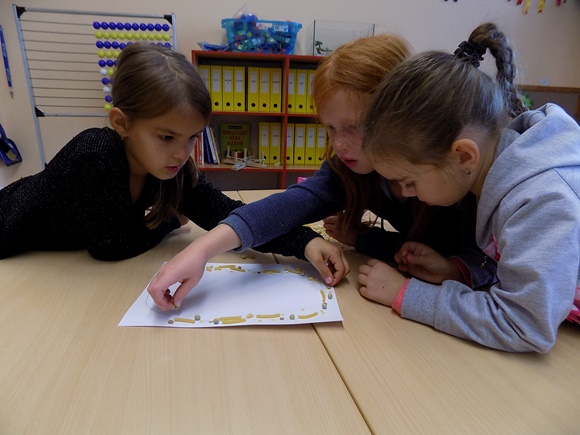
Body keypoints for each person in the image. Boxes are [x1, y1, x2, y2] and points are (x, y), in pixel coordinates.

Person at [148, 34, 496, 309]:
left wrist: (453, 267)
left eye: (355, 127)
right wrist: (200, 251)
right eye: (330, 128)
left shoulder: (454, 174)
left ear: (398, 117)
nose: (340, 145)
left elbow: (492, 263)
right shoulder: (351, 169)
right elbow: (291, 205)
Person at [0, 43, 345, 286]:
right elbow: (110, 246)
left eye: (192, 137)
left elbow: (227, 214)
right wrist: (170, 222)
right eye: (167, 137)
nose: (182, 153)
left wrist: (304, 243)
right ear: (122, 123)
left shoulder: (168, 169)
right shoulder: (94, 154)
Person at [359, 22, 580, 352]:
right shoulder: (500, 171)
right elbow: (519, 268)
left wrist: (408, 294)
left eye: (409, 181)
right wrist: (459, 270)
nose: (404, 194)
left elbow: (523, 324)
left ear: (463, 155)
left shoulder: (542, 199)